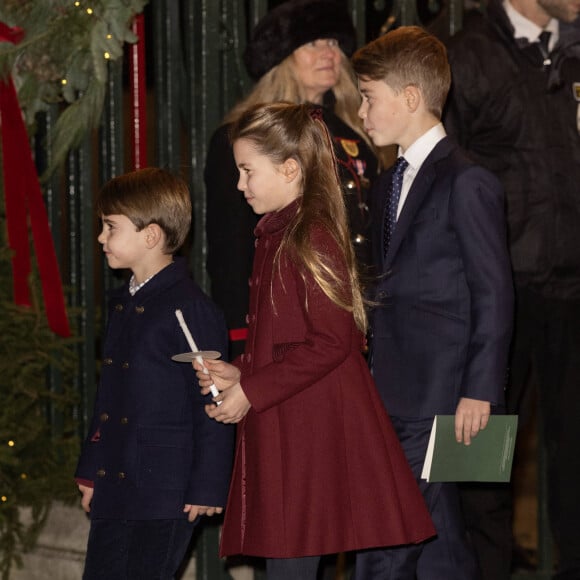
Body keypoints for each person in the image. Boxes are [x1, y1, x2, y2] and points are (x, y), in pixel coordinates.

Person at [194, 102, 435, 580]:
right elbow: (285, 339)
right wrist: (241, 370)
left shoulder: (311, 234)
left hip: (307, 434)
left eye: (247, 171)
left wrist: (250, 393)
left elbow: (333, 341)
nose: (239, 185)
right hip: (289, 423)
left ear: (289, 169)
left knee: (292, 564)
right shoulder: (278, 233)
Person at [351, 26, 514, 579]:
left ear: (411, 98)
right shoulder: (385, 182)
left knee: (388, 531)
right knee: (438, 541)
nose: (361, 110)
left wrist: (479, 389)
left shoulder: (468, 182)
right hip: (392, 387)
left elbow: (493, 292)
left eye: (369, 97)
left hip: (440, 393)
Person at [444, 1, 580, 578]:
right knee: (477, 449)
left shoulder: (573, 46)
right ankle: (474, 567)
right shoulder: (466, 53)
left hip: (572, 285)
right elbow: (444, 172)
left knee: (575, 450)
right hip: (498, 289)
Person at [74, 168, 234, 579]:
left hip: (166, 491)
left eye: (111, 227)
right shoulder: (123, 304)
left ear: (151, 236)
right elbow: (107, 400)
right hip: (116, 484)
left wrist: (208, 485)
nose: (101, 238)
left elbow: (214, 401)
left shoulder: (187, 309)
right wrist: (92, 469)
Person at [204, 0, 380, 360]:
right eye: (313, 43)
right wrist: (240, 337)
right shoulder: (239, 140)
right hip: (285, 318)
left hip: (352, 316)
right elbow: (230, 251)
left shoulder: (357, 134)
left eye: (333, 42)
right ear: (281, 58)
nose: (328, 52)